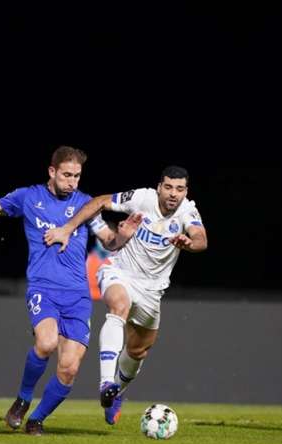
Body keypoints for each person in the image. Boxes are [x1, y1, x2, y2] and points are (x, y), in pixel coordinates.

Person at [0, 146, 139, 435]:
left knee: (69, 369)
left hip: (78, 296)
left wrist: (123, 236)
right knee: (45, 343)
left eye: (77, 176)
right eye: (67, 175)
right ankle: (22, 399)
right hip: (43, 288)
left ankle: (37, 420)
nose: (73, 181)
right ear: (52, 171)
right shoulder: (29, 198)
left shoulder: (84, 204)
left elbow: (109, 240)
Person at [44, 165, 208, 425]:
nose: (173, 194)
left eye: (179, 189)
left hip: (153, 291)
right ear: (159, 188)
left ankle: (115, 393)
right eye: (168, 187)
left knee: (138, 350)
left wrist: (189, 243)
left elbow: (201, 238)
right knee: (119, 305)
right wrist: (67, 227)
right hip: (119, 272)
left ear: (185, 191)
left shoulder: (188, 210)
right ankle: (106, 382)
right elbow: (100, 202)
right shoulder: (142, 198)